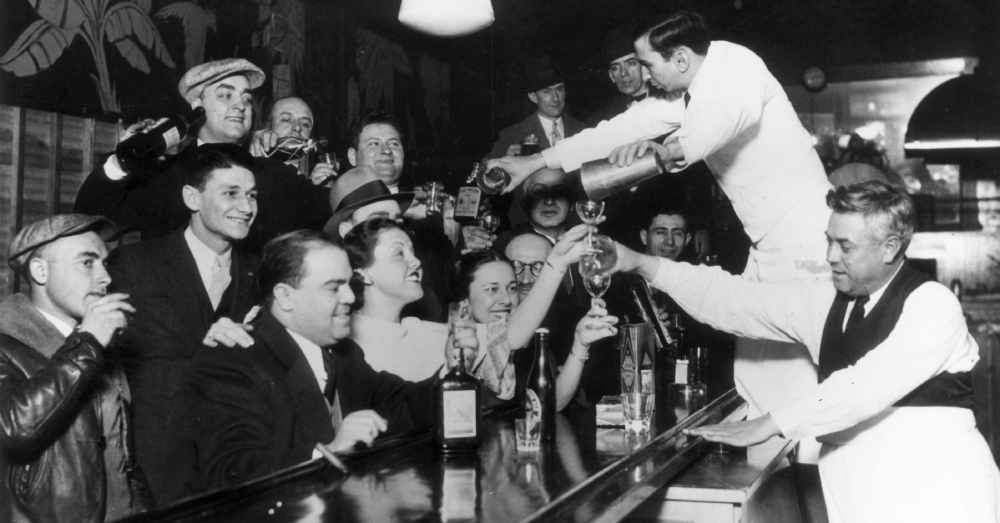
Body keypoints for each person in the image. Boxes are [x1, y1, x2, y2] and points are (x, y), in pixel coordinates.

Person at [489, 10, 833, 464]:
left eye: (648, 65)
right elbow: (619, 129)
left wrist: (669, 149)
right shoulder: (686, 89)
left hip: (811, 244)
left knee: (813, 383)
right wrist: (533, 163)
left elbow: (724, 121)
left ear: (682, 58)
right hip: (768, 246)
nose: (643, 76)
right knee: (755, 375)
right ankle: (768, 485)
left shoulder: (738, 69)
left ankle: (812, 479)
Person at [613, 180, 1000, 523]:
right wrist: (642, 263)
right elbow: (736, 299)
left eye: (844, 246)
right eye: (829, 241)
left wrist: (769, 423)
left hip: (935, 492)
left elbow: (864, 386)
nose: (830, 256)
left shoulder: (933, 304)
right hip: (851, 491)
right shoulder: (826, 299)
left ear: (890, 247)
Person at [183, 229, 477, 492]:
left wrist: (453, 369)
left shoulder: (342, 355)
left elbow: (402, 405)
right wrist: (328, 451)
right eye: (334, 287)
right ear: (286, 297)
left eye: (349, 283)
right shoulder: (230, 363)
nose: (350, 296)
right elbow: (229, 472)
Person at [105, 144, 262, 504]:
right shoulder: (134, 264)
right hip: (155, 472)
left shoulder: (262, 273)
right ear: (192, 197)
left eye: (252, 195)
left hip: (234, 469)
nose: (247, 207)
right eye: (231, 193)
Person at [74, 58, 331, 256]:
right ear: (198, 106)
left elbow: (337, 217)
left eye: (246, 98)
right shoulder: (162, 174)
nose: (240, 105)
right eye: (225, 95)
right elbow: (94, 224)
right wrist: (121, 163)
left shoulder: (277, 175)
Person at [1, 214, 151, 522]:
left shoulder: (99, 344)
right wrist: (88, 344)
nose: (105, 278)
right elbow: (14, 428)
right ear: (40, 271)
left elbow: (122, 453)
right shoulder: (7, 342)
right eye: (87, 262)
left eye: (104, 263)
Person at [449, 249, 617, 410]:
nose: (506, 300)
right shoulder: (455, 346)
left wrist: (580, 343)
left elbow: (552, 402)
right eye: (492, 289)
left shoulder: (531, 343)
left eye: (512, 288)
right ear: (464, 301)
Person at [248, 96, 338, 185]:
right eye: (286, 120)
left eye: (305, 124)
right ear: (267, 128)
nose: (298, 127)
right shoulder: (251, 170)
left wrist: (312, 191)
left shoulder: (311, 182)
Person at [587, 26, 650, 126]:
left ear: (644, 66)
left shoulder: (671, 102)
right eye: (616, 67)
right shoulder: (599, 120)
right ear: (611, 76)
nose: (623, 73)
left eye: (631, 63)